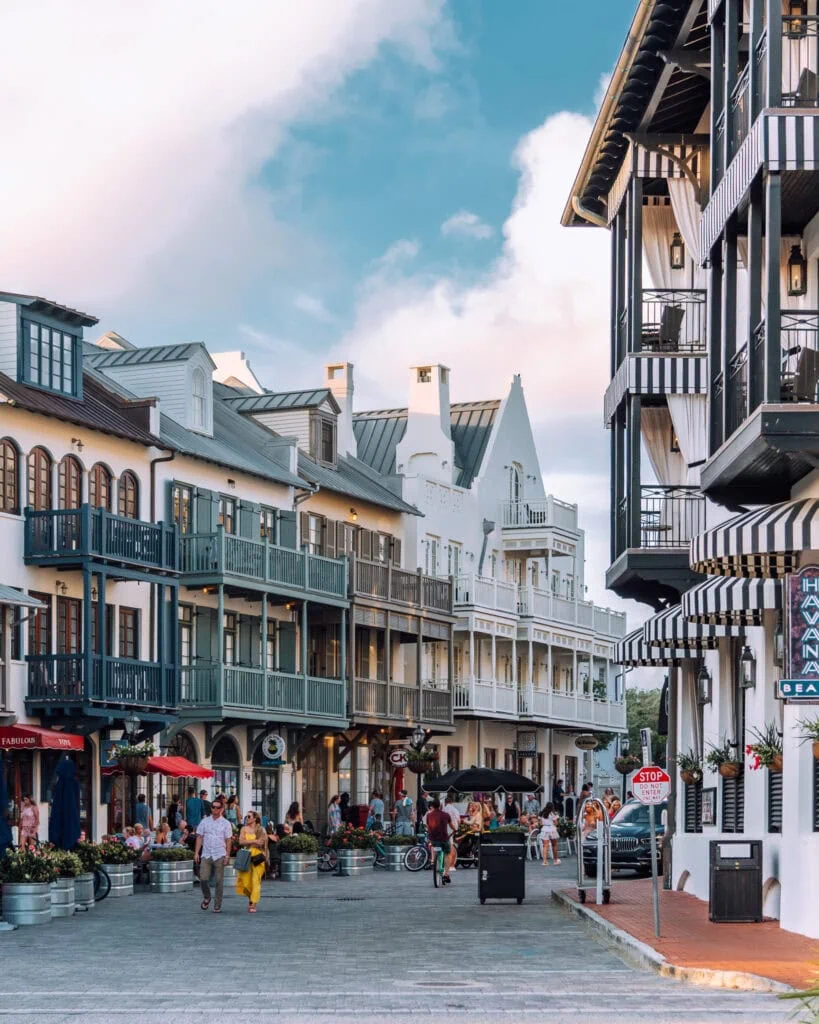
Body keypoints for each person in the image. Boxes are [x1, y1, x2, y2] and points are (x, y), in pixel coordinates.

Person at [194, 796, 233, 914]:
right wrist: (196, 852)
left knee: (218, 881)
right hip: (206, 854)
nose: (214, 809)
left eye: (217, 807)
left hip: (220, 854)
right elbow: (199, 837)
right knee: (203, 878)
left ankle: (217, 905)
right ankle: (207, 897)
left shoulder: (226, 823)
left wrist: (227, 855)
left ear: (222, 809)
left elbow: (228, 840)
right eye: (213, 807)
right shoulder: (204, 821)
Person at [236, 811, 268, 913]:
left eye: (249, 816)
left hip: (258, 857)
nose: (247, 818)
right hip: (247, 856)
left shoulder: (260, 829)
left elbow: (262, 843)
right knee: (246, 880)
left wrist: (251, 842)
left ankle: (253, 903)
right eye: (246, 816)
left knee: (255, 880)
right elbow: (241, 841)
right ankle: (251, 898)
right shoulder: (244, 829)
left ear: (254, 818)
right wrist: (254, 841)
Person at [424, 798, 452, 884]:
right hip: (444, 838)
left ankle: (434, 861)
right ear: (440, 806)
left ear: (432, 806)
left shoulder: (429, 815)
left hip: (434, 839)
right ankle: (446, 874)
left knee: (435, 849)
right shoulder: (446, 815)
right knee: (447, 854)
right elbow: (451, 825)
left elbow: (428, 827)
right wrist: (455, 830)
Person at [443, 794, 461, 874]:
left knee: (446, 847)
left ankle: (447, 864)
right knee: (451, 846)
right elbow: (458, 820)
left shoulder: (443, 810)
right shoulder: (455, 810)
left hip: (444, 830)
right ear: (451, 802)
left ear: (445, 802)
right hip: (452, 830)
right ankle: (451, 865)